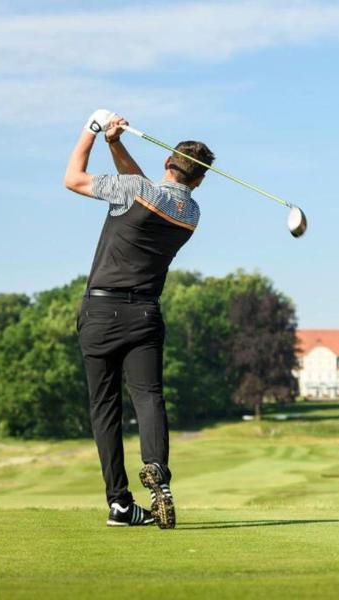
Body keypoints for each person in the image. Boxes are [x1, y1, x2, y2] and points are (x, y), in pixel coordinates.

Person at [64, 109, 214, 528]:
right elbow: (144, 188)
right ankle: (158, 470)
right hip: (145, 313)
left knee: (105, 408)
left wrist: (92, 129)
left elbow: (73, 178)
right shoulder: (191, 214)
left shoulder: (135, 190)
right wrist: (115, 143)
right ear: (199, 180)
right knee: (148, 397)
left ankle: (119, 503)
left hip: (100, 311)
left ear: (168, 161)